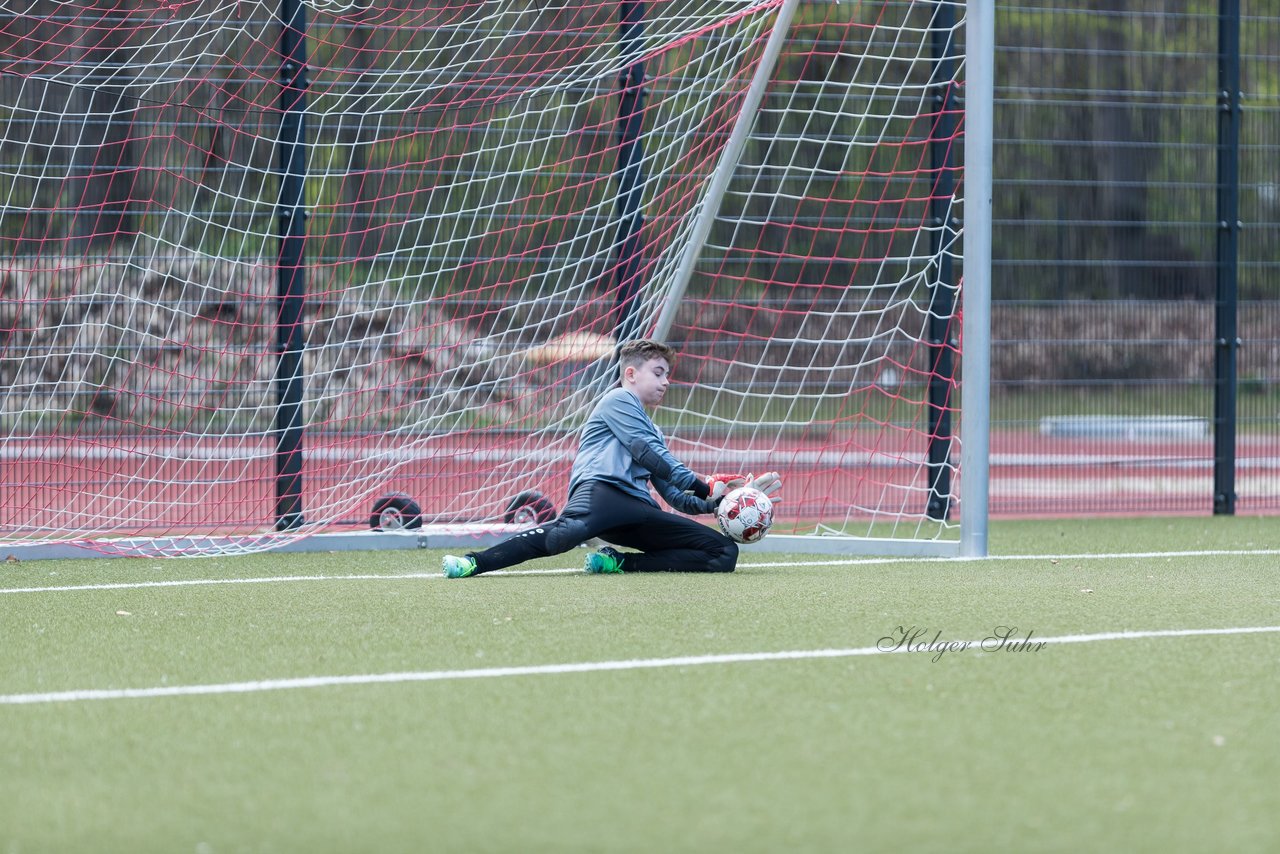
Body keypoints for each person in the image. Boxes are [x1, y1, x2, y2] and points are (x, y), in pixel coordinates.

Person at [442, 338, 779, 577]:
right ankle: (475, 562)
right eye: (659, 372)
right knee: (562, 538)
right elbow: (645, 452)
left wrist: (726, 501)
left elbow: (674, 496)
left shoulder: (654, 431)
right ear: (631, 374)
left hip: (638, 510)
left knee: (723, 553)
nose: (666, 381)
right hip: (601, 495)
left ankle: (619, 563)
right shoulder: (617, 400)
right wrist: (705, 486)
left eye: (667, 375)